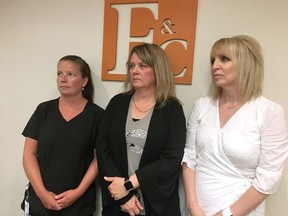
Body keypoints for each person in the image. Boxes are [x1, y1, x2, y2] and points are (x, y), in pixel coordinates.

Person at [182, 35, 288, 216]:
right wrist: (192, 206)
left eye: (224, 59)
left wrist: (226, 214)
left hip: (240, 211)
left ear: (246, 64)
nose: (215, 66)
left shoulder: (269, 112)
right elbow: (189, 157)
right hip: (196, 209)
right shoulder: (202, 106)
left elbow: (268, 179)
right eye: (213, 60)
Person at [96, 43, 186, 216]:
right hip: (118, 204)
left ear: (158, 70)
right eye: (131, 65)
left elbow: (172, 158)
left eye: (142, 66)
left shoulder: (171, 109)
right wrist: (123, 196)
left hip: (157, 205)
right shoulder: (117, 103)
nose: (134, 71)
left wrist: (129, 184)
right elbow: (102, 148)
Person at [21, 55, 103, 216]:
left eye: (70, 75)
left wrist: (78, 192)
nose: (63, 79)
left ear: (84, 81)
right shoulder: (43, 110)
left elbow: (99, 159)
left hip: (78, 204)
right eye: (59, 74)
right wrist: (42, 193)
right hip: (40, 201)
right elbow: (28, 154)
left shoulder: (97, 116)